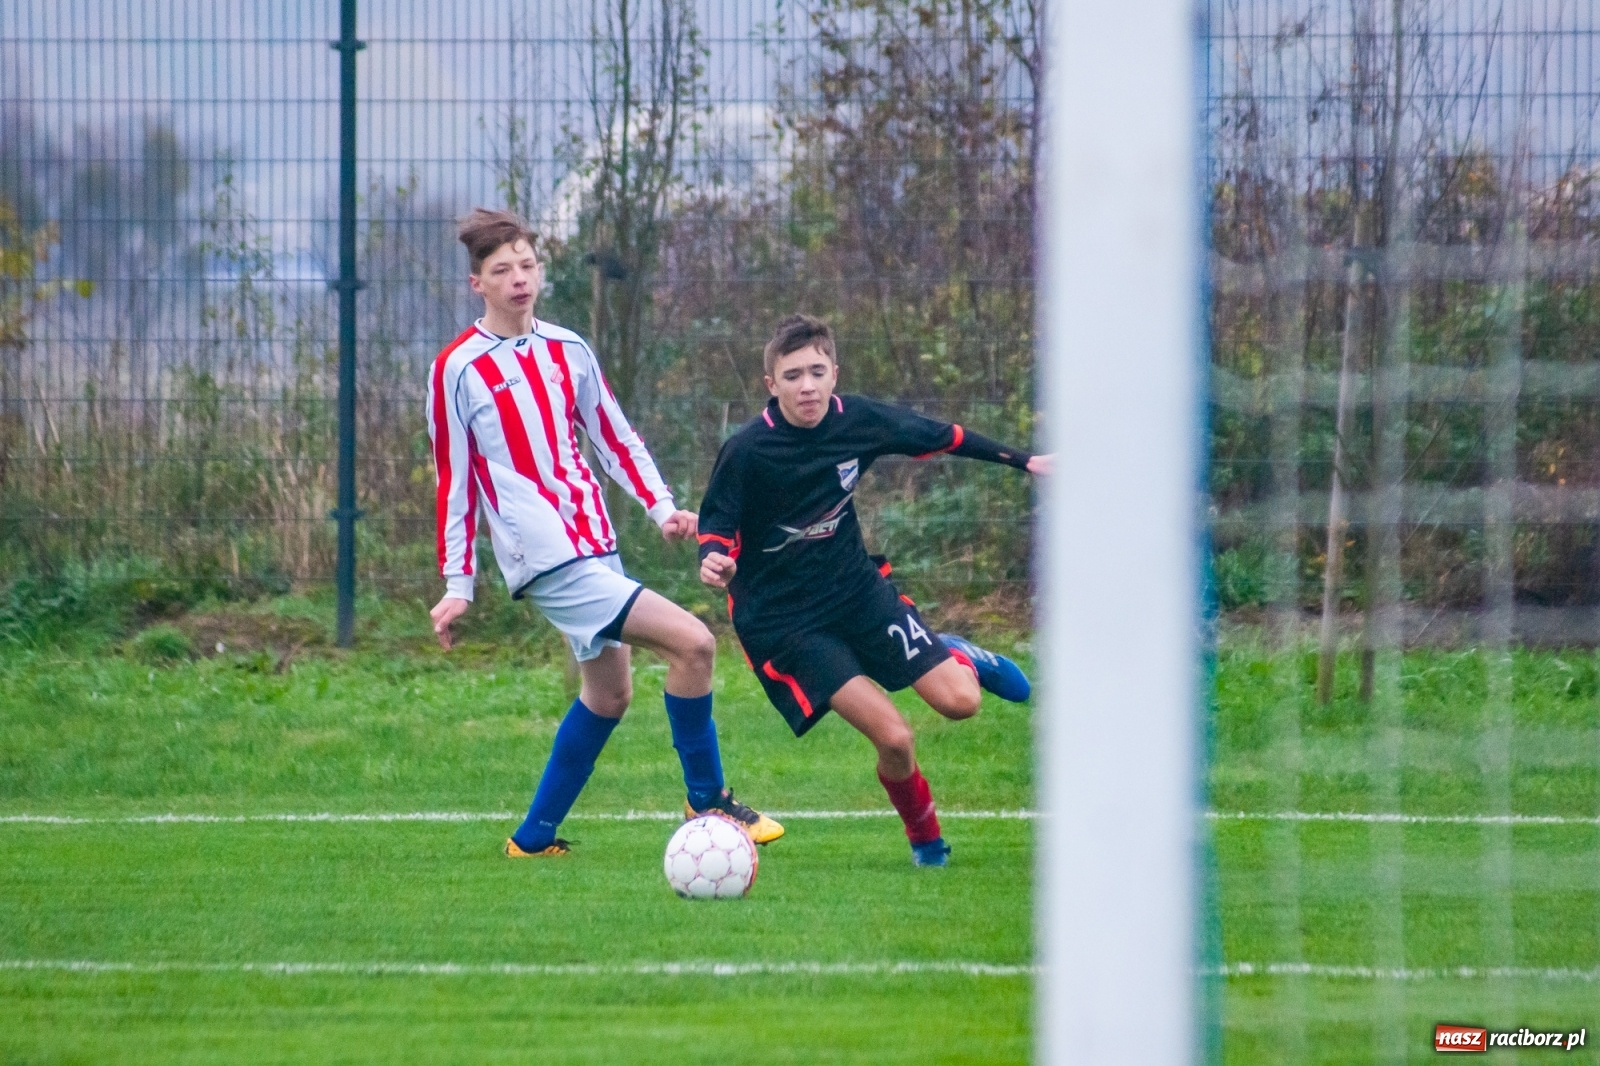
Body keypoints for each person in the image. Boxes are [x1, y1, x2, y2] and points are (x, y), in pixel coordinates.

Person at [428, 207, 782, 857]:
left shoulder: (569, 349)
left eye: (528, 265)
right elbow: (455, 479)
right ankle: (707, 800)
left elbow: (613, 434)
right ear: (477, 283)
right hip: (544, 557)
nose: (519, 279)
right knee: (695, 645)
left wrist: (661, 506)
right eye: (502, 270)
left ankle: (532, 839)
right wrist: (459, 583)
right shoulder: (458, 368)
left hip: (594, 543)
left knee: (610, 693)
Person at [696, 313, 1045, 867]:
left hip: (858, 593)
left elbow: (944, 437)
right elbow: (717, 526)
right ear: (771, 385)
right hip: (788, 624)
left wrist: (1025, 461)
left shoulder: (859, 420)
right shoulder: (747, 451)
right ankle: (927, 843)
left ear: (835, 372)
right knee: (896, 739)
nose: (806, 385)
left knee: (961, 703)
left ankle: (956, 652)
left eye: (816, 371)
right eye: (792, 376)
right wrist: (714, 560)